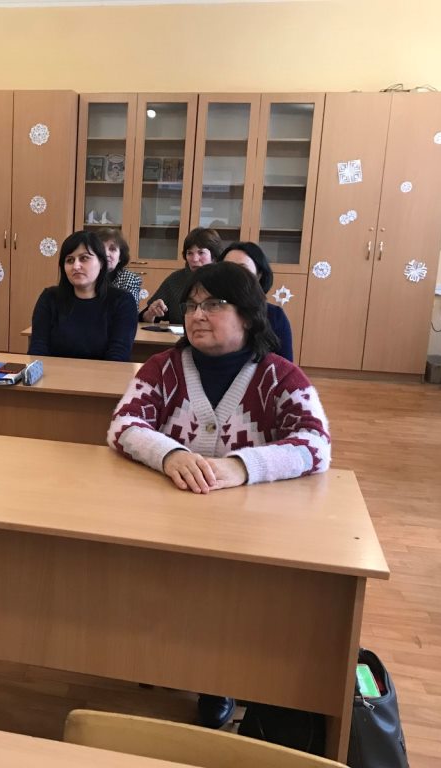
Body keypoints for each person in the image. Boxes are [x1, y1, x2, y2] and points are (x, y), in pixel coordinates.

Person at [107, 262, 330, 730]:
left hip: (245, 529)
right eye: (191, 305)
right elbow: (124, 425)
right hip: (167, 517)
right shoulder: (162, 368)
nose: (197, 315)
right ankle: (159, 655)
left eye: (213, 304)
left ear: (247, 314)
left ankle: (218, 680)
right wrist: (169, 454)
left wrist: (243, 466)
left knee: (230, 599)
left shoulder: (281, 377)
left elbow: (315, 445)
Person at [27, 231, 137, 362]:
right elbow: (38, 350)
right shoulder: (49, 298)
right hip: (54, 373)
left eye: (84, 258)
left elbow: (118, 356)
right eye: (69, 260)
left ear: (101, 263)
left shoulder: (122, 301)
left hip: (104, 374)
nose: (76, 266)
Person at [217, 241, 293, 361]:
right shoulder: (208, 311)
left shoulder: (275, 316)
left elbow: (286, 367)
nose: (233, 275)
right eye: (227, 268)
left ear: (258, 275)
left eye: (242, 268)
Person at [139, 227, 221, 326]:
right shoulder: (175, 280)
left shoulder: (225, 280)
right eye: (190, 253)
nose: (194, 259)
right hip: (178, 336)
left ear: (214, 256)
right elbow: (143, 319)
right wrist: (151, 313)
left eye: (201, 253)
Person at [97, 227, 141, 305]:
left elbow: (129, 309)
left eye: (112, 249)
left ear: (120, 256)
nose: (106, 254)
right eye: (101, 248)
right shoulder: (86, 274)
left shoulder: (129, 279)